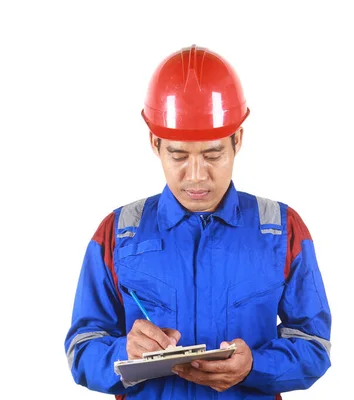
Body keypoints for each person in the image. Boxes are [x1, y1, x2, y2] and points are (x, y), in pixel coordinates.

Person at [64, 44, 332, 399]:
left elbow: (314, 345)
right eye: (178, 154)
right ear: (155, 142)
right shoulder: (118, 234)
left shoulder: (281, 230)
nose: (195, 176)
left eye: (212, 154)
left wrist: (255, 367)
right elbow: (81, 347)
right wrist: (122, 353)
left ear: (237, 139)